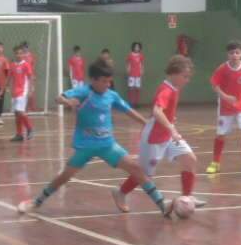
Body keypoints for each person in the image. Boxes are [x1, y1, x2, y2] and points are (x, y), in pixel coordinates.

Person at [17, 57, 172, 217]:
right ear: (93, 79)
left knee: (136, 169)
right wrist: (68, 102)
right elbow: (59, 98)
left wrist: (146, 123)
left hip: (108, 145)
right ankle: (37, 202)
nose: (107, 84)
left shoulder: (111, 95)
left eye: (109, 81)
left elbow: (128, 111)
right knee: (64, 176)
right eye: (104, 81)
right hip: (85, 146)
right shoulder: (84, 92)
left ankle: (162, 204)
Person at [113, 55, 206, 211]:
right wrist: (172, 129)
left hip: (167, 135)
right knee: (144, 174)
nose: (187, 80)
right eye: (185, 76)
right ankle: (120, 192)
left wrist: (170, 123)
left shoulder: (174, 88)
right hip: (154, 137)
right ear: (174, 73)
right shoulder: (166, 89)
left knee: (189, 159)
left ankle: (187, 197)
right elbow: (156, 111)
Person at [206, 40, 241, 174]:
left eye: (237, 52)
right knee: (221, 135)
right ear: (227, 54)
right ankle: (215, 162)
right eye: (231, 53)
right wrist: (225, 96)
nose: (234, 55)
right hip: (226, 106)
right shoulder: (222, 69)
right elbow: (214, 85)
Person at [0, 45, 34, 142]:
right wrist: (2, 91)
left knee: (20, 111)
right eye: (17, 53)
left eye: (21, 53)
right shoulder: (12, 65)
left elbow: (30, 78)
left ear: (23, 54)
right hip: (15, 93)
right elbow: (8, 79)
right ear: (14, 54)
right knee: (16, 114)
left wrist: (30, 90)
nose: (19, 55)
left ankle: (30, 129)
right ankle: (19, 134)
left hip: (23, 92)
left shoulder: (26, 64)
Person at [126, 42, 145, 108]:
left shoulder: (141, 55)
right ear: (133, 47)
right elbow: (128, 64)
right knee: (131, 88)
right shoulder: (130, 55)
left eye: (138, 47)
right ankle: (130, 103)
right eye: (135, 47)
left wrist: (142, 71)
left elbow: (142, 64)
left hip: (138, 75)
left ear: (140, 48)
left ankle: (136, 103)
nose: (137, 48)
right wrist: (128, 70)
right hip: (131, 74)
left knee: (138, 89)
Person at [21, 41, 38, 112]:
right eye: (24, 47)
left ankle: (33, 108)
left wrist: (33, 75)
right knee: (23, 92)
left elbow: (33, 66)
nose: (25, 48)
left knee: (32, 92)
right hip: (22, 77)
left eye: (26, 47)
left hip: (30, 76)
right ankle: (25, 107)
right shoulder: (21, 56)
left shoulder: (31, 56)